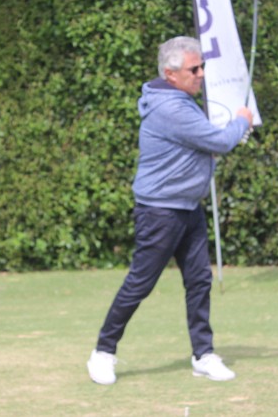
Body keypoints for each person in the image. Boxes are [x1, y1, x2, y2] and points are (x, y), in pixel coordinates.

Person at [86, 36, 254, 385]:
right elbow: (221, 141)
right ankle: (102, 353)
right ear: (171, 74)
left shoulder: (182, 101)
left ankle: (203, 355)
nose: (201, 74)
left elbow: (201, 146)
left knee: (199, 281)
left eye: (201, 67)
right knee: (140, 283)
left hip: (188, 207)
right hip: (160, 212)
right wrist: (241, 120)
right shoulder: (171, 108)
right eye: (194, 69)